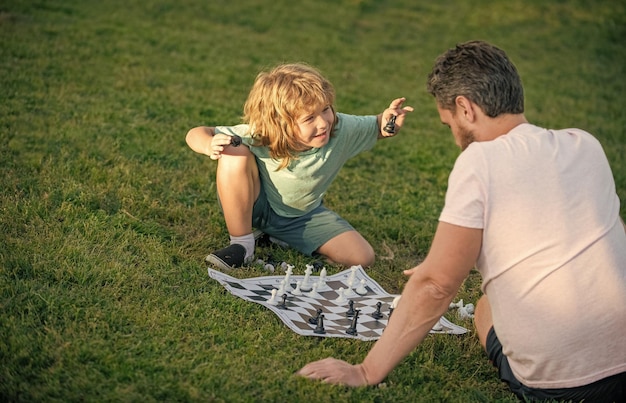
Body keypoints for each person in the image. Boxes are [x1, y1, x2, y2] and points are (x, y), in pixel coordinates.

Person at [298, 41, 626, 402]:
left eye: (448, 123)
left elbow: (437, 285)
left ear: (465, 109)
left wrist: (365, 371)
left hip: (565, 388)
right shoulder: (585, 145)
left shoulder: (480, 161)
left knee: (485, 309)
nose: (454, 136)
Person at [186, 63, 413, 270]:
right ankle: (242, 246)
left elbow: (376, 126)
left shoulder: (341, 129)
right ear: (279, 124)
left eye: (325, 109)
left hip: (301, 216)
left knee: (362, 257)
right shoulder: (260, 134)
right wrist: (208, 144)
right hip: (252, 205)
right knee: (233, 149)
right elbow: (196, 133)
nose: (323, 122)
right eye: (309, 118)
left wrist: (387, 121)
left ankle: (277, 237)